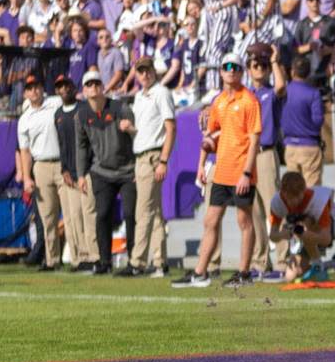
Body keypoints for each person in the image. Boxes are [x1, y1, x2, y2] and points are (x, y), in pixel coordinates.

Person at [172, 52, 261, 289]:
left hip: (241, 171)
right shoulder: (219, 102)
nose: (231, 70)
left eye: (235, 67)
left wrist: (246, 173)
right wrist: (201, 164)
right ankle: (200, 272)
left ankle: (244, 273)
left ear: (241, 72)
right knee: (210, 220)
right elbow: (209, 137)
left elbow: (254, 140)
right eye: (227, 66)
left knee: (244, 222)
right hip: (221, 172)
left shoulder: (249, 101)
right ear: (221, 72)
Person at [74, 70, 137, 275]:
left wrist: (130, 130)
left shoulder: (120, 107)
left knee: (129, 214)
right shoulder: (81, 115)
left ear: (103, 87)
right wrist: (81, 175)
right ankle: (104, 261)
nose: (93, 88)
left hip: (128, 169)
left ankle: (134, 260)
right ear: (83, 91)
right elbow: (81, 146)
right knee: (102, 215)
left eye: (96, 84)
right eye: (89, 85)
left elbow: (138, 134)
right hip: (101, 171)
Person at [123, 56, 175, 278]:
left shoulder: (161, 93)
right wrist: (131, 130)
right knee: (153, 212)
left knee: (142, 211)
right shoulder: (140, 97)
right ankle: (159, 261)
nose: (144, 75)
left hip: (152, 156)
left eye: (147, 70)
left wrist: (163, 160)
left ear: (154, 71)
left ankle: (137, 262)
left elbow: (170, 128)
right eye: (140, 71)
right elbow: (148, 130)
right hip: (142, 156)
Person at [16, 74, 64, 271]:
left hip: (62, 162)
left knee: (72, 213)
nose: (34, 90)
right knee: (47, 216)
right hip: (41, 165)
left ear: (43, 89)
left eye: (37, 87)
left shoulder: (55, 103)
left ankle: (83, 258)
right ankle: (52, 260)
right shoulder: (24, 119)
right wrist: (27, 177)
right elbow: (25, 152)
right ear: (26, 93)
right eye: (30, 88)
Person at [247, 43, 287, 280]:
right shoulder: (244, 94)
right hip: (248, 156)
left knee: (274, 208)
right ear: (249, 69)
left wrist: (274, 60)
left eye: (263, 65)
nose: (259, 68)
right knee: (253, 211)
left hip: (266, 152)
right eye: (255, 65)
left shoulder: (271, 92)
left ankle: (282, 260)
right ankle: (260, 261)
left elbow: (281, 86)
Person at [268, 171, 335, 284]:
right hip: (306, 234)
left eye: (297, 196)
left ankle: (317, 266)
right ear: (282, 193)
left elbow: (326, 239)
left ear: (304, 191)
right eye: (289, 197)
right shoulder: (277, 202)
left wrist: (305, 235)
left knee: (306, 222)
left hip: (333, 225)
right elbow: (272, 236)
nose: (293, 201)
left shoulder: (317, 200)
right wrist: (283, 234)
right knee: (291, 276)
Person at [53, 74, 98, 273]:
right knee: (71, 218)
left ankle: (93, 256)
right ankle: (79, 257)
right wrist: (63, 169)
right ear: (56, 91)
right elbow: (62, 145)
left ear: (73, 87)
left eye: (67, 85)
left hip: (85, 170)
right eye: (60, 86)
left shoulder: (83, 109)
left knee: (87, 214)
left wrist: (85, 169)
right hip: (68, 172)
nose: (65, 89)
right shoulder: (58, 114)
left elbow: (90, 142)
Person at [279, 56, 325, 187]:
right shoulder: (313, 93)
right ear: (309, 73)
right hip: (310, 145)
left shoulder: (284, 92)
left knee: (293, 189)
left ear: (292, 71)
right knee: (312, 189)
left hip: (290, 146)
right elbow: (318, 121)